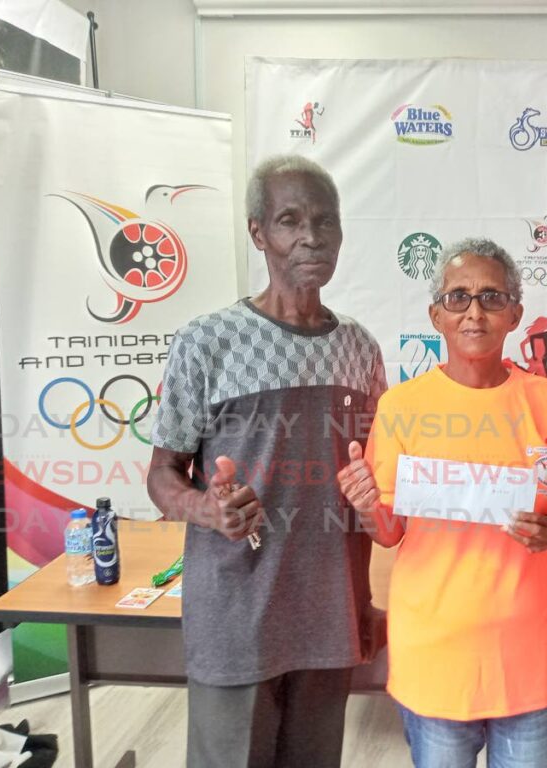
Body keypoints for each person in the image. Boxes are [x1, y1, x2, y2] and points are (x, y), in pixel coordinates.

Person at [147, 154, 386, 768]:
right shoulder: (208, 341)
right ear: (259, 233)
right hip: (237, 615)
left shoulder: (360, 348)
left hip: (331, 609)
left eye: (326, 221)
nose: (311, 237)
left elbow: (373, 481)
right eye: (289, 220)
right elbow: (162, 474)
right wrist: (204, 506)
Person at [337, 238, 547, 767]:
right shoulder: (402, 407)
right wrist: (365, 504)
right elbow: (388, 530)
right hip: (436, 657)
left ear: (516, 314)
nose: (474, 311)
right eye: (458, 297)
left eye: (492, 297)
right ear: (436, 314)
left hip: (527, 654)